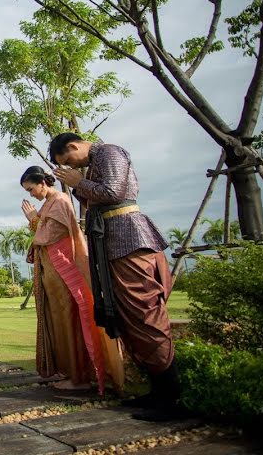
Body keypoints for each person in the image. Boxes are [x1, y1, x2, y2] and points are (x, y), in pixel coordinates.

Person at [49, 133, 178, 413]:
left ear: (74, 146)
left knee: (144, 313)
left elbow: (113, 192)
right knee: (129, 317)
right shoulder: (95, 162)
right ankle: (157, 390)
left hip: (129, 239)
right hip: (112, 243)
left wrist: (77, 183)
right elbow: (94, 200)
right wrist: (79, 186)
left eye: (69, 159)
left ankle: (171, 396)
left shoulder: (108, 152)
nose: (73, 166)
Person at [21, 166, 125, 395]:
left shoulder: (60, 201)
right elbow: (43, 231)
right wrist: (36, 219)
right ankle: (70, 371)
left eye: (31, 189)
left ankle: (80, 377)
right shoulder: (49, 203)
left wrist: (33, 220)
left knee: (72, 319)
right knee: (60, 319)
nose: (31, 195)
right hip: (54, 271)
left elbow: (50, 235)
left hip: (64, 270)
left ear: (42, 182)